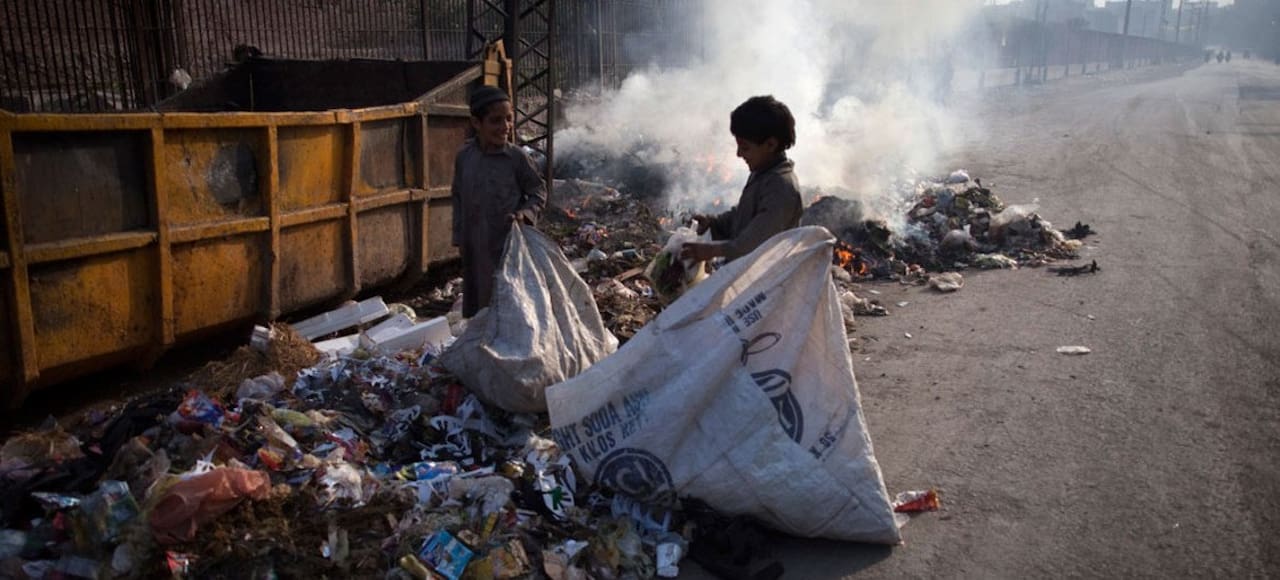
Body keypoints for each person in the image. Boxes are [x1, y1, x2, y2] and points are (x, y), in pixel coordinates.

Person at [451, 85, 547, 318]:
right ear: (476, 123)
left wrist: (525, 214)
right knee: (481, 309)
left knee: (512, 307)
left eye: (509, 119)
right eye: (496, 121)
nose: (505, 127)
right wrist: (459, 237)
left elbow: (538, 192)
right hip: (476, 247)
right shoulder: (465, 158)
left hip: (508, 247)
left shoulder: (516, 158)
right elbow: (458, 198)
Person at [681, 95, 803, 264]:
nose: (739, 154)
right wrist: (713, 223)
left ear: (770, 145)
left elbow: (756, 245)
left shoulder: (781, 187)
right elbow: (743, 215)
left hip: (765, 283)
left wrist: (710, 251)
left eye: (745, 147)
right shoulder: (762, 172)